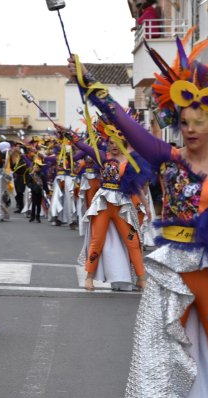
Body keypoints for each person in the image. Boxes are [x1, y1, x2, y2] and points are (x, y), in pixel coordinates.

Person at [68, 27, 208, 396]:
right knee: (157, 349)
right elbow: (126, 125)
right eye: (185, 122)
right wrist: (95, 91)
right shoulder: (166, 158)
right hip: (171, 266)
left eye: (199, 122)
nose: (191, 129)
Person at [60, 122, 151, 292]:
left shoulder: (131, 161)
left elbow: (137, 187)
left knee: (133, 241)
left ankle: (141, 278)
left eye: (117, 142)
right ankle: (89, 278)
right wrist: (66, 131)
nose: (114, 146)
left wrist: (146, 206)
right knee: (97, 240)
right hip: (102, 204)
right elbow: (82, 145)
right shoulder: (103, 157)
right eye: (110, 142)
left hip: (123, 205)